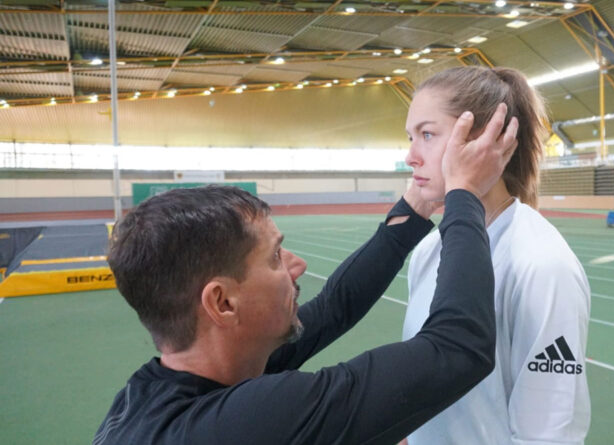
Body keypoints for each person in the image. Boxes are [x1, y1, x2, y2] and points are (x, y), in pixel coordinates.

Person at [94, 102, 520, 445]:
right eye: (275, 257)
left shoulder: (149, 395)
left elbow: (335, 307)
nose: (297, 266)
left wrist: (417, 206)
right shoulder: (248, 422)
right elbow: (459, 348)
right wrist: (465, 193)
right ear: (222, 303)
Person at [401, 66, 591, 444]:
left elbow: (546, 435)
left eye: (427, 134)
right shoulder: (428, 250)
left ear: (484, 139)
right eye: (410, 137)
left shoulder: (541, 265)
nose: (410, 156)